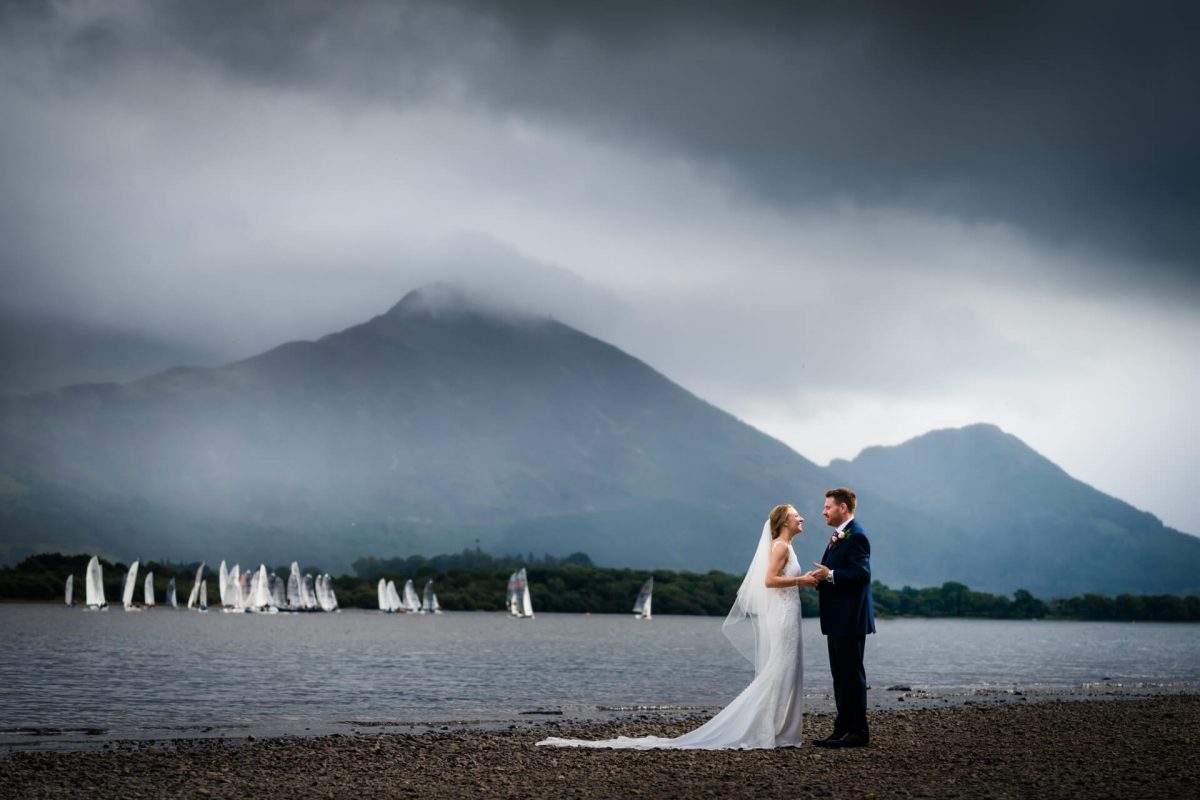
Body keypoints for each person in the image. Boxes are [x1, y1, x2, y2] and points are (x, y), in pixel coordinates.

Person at [537, 503, 819, 749]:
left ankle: (780, 729)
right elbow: (769, 581)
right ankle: (767, 729)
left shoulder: (787, 547)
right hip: (783, 615)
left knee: (788, 670)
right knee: (780, 670)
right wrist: (801, 581)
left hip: (789, 612)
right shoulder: (780, 547)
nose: (801, 518)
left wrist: (804, 582)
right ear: (784, 521)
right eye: (796, 515)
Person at [807, 487, 875, 748]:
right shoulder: (839, 536)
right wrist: (822, 580)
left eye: (827, 507)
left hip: (849, 619)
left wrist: (831, 575)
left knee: (851, 675)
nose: (823, 511)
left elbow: (862, 575)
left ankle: (858, 733)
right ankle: (842, 729)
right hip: (838, 620)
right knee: (841, 676)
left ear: (843, 507)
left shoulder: (856, 536)